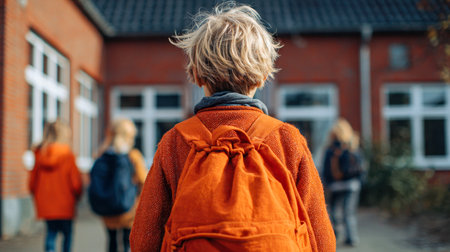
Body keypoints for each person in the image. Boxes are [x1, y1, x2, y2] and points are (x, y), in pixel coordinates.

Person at [130, 2, 335, 252]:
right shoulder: (286, 139)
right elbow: (321, 237)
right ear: (262, 77)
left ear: (195, 75)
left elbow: (144, 238)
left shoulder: (175, 141)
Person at [29, 120, 83, 252]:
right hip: (65, 204)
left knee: (50, 234)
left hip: (47, 204)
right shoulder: (68, 156)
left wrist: (35, 195)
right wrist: (79, 195)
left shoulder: (40, 154)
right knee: (67, 235)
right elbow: (75, 183)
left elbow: (32, 182)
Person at [94, 119, 147, 252]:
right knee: (127, 242)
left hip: (107, 209)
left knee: (111, 241)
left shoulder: (101, 155)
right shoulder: (133, 156)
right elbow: (144, 179)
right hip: (129, 209)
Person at [322, 118, 363, 247]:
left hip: (336, 186)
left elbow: (326, 168)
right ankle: (351, 238)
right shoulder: (353, 146)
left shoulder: (331, 149)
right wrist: (361, 182)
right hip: (351, 185)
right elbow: (361, 168)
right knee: (348, 212)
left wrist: (326, 183)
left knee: (334, 211)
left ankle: (336, 234)